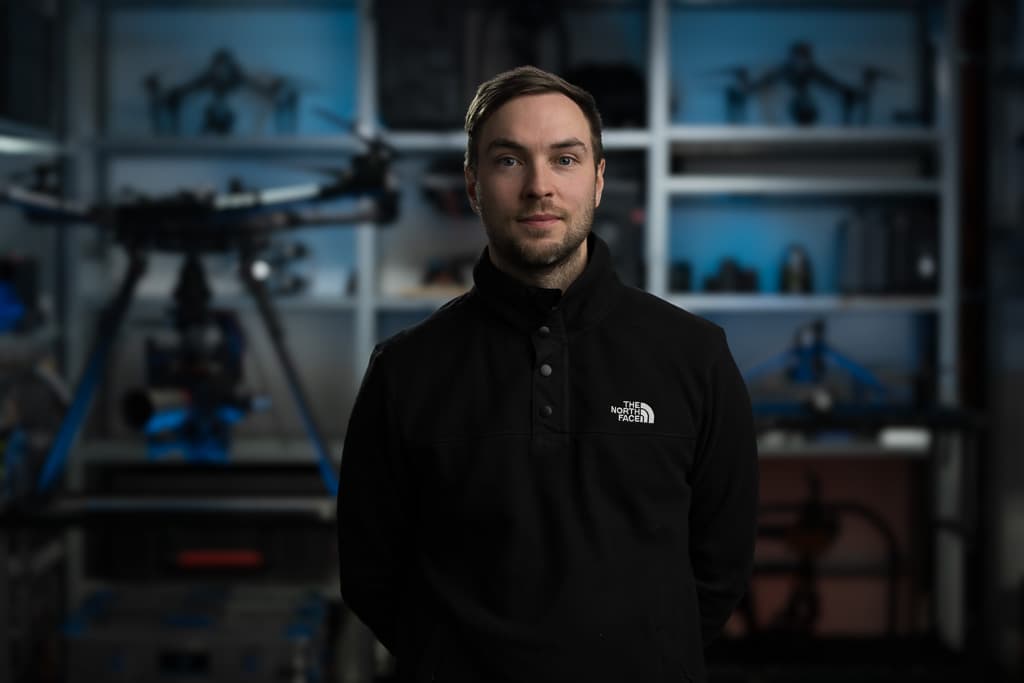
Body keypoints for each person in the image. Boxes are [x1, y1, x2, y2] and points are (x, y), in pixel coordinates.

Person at [337, 65, 758, 683]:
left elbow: (721, 564)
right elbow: (371, 571)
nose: (539, 187)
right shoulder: (405, 371)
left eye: (564, 159)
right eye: (509, 161)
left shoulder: (694, 356)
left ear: (598, 179)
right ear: (474, 185)